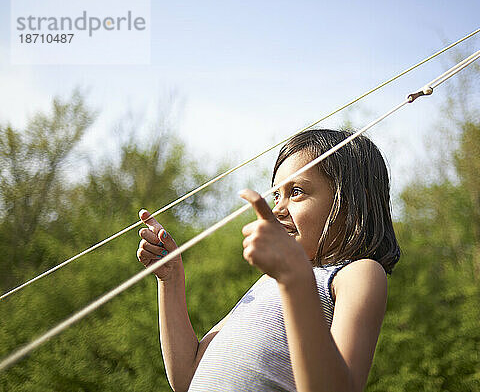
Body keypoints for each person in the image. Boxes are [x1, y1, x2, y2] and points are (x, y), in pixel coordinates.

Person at [136, 129, 401, 392]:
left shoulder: (357, 273)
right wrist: (171, 279)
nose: (277, 209)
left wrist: (293, 278)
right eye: (276, 195)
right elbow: (187, 376)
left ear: (354, 201)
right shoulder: (269, 282)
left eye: (296, 191)